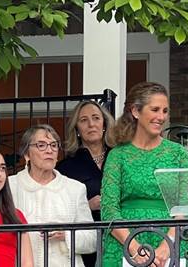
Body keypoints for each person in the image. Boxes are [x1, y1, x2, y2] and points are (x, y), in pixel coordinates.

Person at [100, 82, 188, 267]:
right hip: (124, 242)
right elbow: (109, 209)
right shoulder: (118, 155)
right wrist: (135, 248)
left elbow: (185, 206)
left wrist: (167, 245)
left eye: (165, 111)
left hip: (170, 240)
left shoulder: (178, 154)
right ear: (135, 111)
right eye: (155, 109)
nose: (161, 117)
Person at [9, 124, 97, 267]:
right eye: (41, 145)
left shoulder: (75, 189)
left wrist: (66, 234)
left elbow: (92, 239)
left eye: (54, 145)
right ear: (26, 154)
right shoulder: (10, 187)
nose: (49, 150)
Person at [57, 101, 115, 267]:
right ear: (77, 129)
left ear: (104, 123)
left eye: (96, 118)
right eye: (83, 120)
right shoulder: (66, 167)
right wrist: (86, 205)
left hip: (121, 235)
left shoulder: (119, 157)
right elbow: (59, 210)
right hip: (86, 241)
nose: (91, 124)